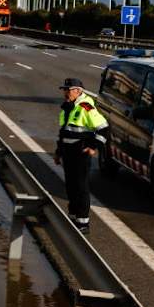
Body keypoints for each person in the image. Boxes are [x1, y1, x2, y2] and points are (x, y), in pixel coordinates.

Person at [53, 76, 107, 232]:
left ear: (78, 91)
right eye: (64, 90)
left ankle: (83, 223)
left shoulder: (86, 107)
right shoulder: (67, 107)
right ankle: (73, 216)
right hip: (68, 154)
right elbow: (64, 133)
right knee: (70, 186)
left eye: (68, 90)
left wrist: (93, 147)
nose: (65, 93)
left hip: (80, 153)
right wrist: (58, 152)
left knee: (80, 187)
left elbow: (103, 128)